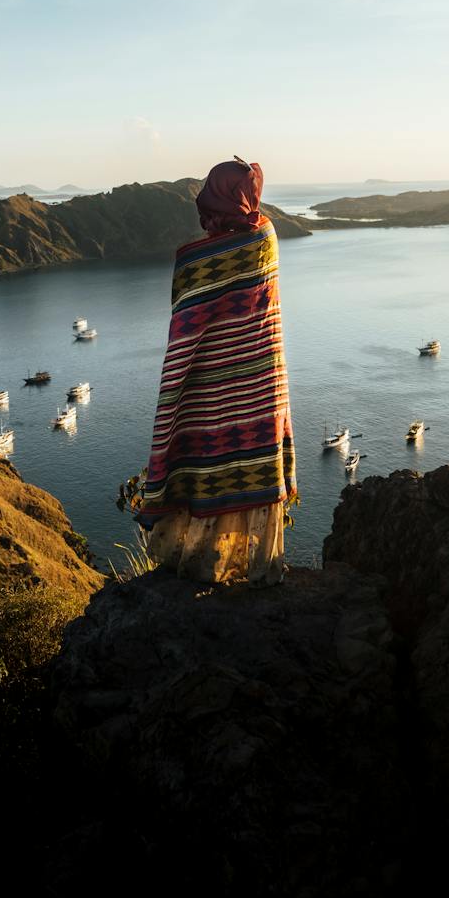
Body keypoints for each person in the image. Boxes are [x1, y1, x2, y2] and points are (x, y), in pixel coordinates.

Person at [132, 158, 298, 584]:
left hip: (211, 384)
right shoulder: (266, 234)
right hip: (262, 383)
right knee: (252, 460)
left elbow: (186, 327)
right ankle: (259, 567)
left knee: (206, 457)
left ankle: (202, 562)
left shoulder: (199, 259)